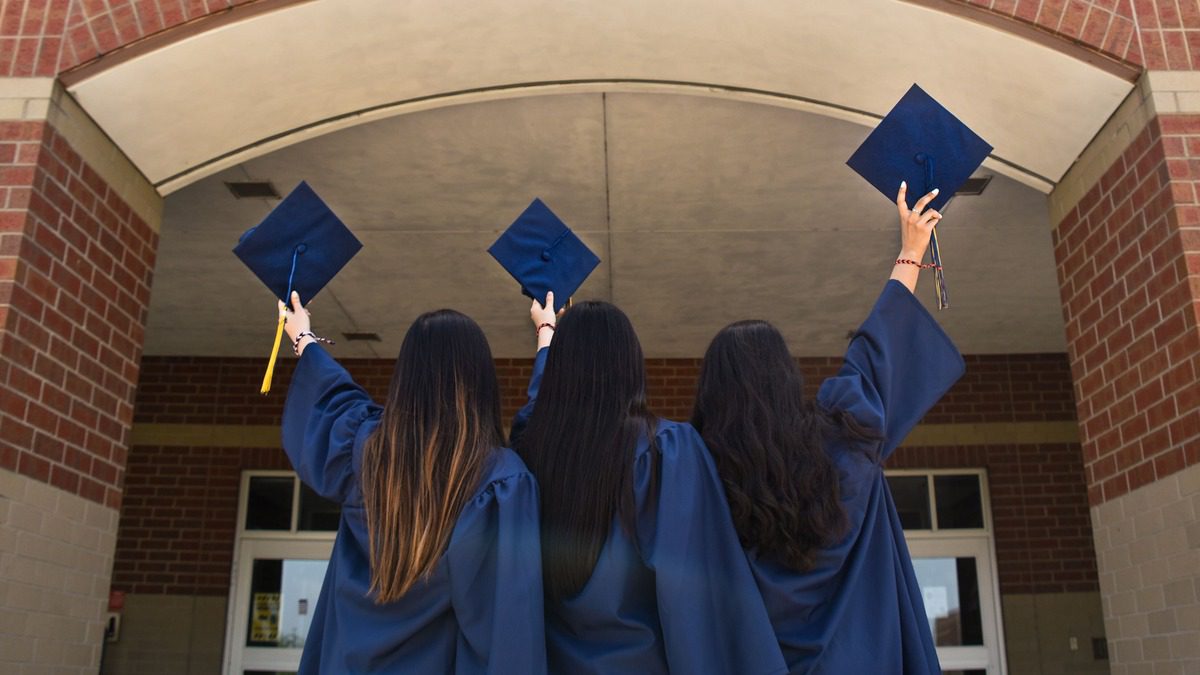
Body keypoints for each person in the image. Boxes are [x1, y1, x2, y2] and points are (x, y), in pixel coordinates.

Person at [691, 183, 966, 674]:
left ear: (713, 395)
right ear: (786, 378)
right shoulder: (843, 439)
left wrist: (550, 341)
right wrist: (910, 250)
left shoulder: (697, 477)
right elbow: (877, 351)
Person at [512, 292, 787, 675]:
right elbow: (693, 599)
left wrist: (547, 335)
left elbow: (535, 411)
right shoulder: (665, 451)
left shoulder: (529, 456)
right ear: (630, 366)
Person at [279, 293, 547, 674]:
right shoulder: (498, 481)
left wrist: (302, 337)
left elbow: (332, 400)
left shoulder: (364, 454)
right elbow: (508, 630)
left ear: (405, 377)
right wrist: (546, 337)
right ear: (482, 380)